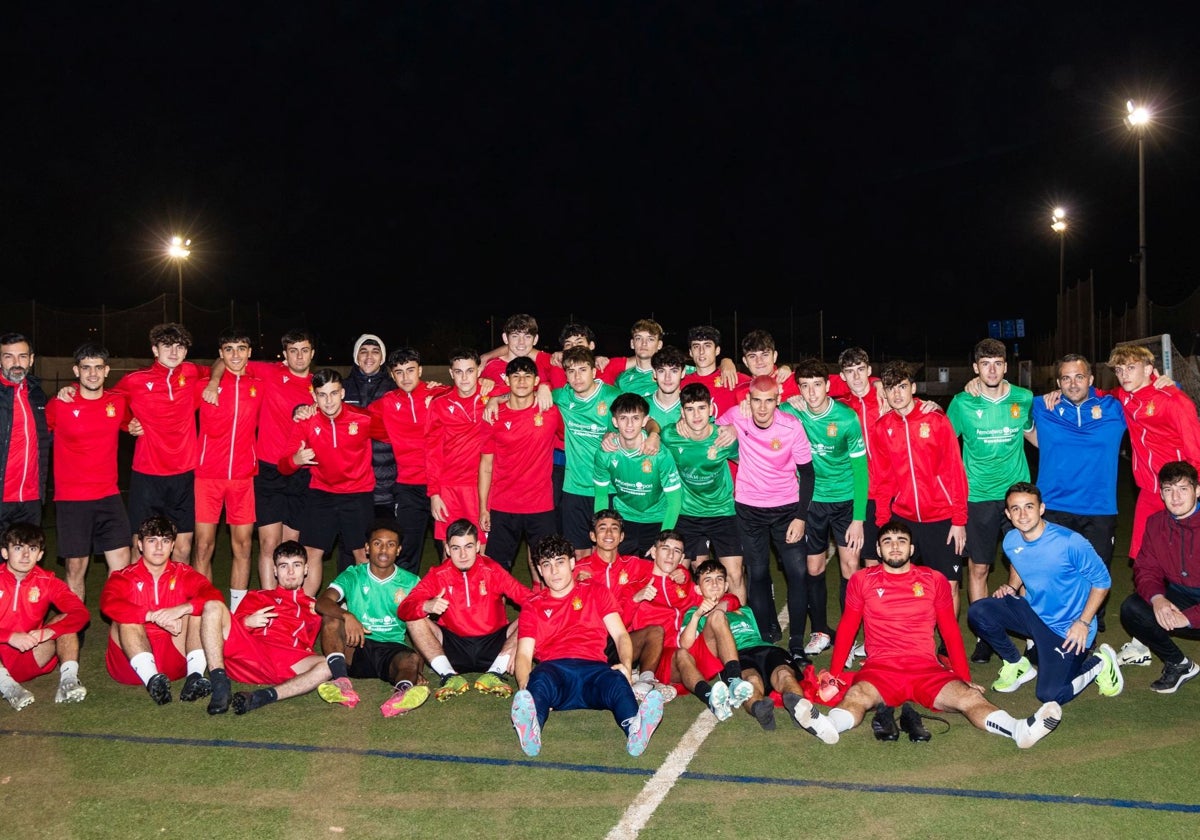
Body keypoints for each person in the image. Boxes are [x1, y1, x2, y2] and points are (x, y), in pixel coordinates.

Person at [792, 520, 1063, 748]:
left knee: (970, 698)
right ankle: (828, 725)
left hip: (925, 668)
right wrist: (837, 674)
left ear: (911, 548)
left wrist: (964, 678)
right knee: (858, 695)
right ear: (877, 548)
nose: (894, 546)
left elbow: (950, 632)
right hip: (881, 667)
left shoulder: (933, 580)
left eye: (901, 541)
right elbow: (849, 627)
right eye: (887, 541)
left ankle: (1019, 730)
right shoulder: (862, 580)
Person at [509, 534, 665, 758]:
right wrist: (525, 688)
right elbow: (524, 655)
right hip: (555, 671)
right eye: (547, 565)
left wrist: (627, 666)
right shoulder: (533, 606)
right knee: (539, 680)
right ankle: (531, 725)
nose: (554, 571)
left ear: (572, 563)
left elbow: (621, 634)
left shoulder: (596, 591)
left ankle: (635, 729)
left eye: (560, 562)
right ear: (540, 571)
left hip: (594, 668)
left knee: (616, 680)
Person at [967, 483, 1124, 706]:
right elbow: (1018, 562)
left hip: (1069, 629)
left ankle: (1100, 661)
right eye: (1015, 509)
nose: (1023, 515)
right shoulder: (1012, 540)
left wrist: (1084, 622)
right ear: (1007, 514)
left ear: (1041, 508)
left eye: (1029, 507)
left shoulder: (1070, 542)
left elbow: (1102, 581)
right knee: (979, 611)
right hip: (1034, 615)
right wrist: (1012, 587)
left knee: (1050, 695)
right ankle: (1016, 664)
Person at [206, 328, 317, 590]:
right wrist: (213, 383)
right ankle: (269, 604)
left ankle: (291, 609)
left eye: (304, 350)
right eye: (293, 351)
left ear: (312, 353)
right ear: (285, 355)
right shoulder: (270, 373)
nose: (299, 356)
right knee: (269, 545)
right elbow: (225, 361)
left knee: (293, 549)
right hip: (268, 470)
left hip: (301, 470)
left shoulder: (320, 385)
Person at [948, 339, 1034, 664]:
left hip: (1017, 498)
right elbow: (943, 443)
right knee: (979, 567)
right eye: (985, 364)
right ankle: (985, 635)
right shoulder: (961, 403)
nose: (992, 369)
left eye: (997, 363)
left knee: (1025, 564)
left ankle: (1030, 636)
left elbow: (1035, 435)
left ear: (1006, 366)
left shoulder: (1023, 399)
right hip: (978, 496)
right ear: (975, 368)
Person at [718, 375, 815, 658]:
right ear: (748, 399)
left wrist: (801, 517)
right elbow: (709, 429)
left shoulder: (791, 426)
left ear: (778, 400)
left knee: (797, 572)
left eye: (768, 401)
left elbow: (807, 473)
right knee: (758, 573)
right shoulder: (738, 415)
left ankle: (797, 641)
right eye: (756, 401)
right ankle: (762, 636)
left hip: (787, 510)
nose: (761, 408)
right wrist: (730, 430)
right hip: (749, 509)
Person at [1029, 354, 1126, 636]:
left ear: (1091, 379)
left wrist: (1163, 381)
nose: (1073, 384)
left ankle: (1093, 621)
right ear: (1058, 382)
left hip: (1099, 507)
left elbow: (1150, 399)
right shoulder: (1042, 406)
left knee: (1096, 570)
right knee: (1056, 572)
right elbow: (1007, 404)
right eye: (1066, 378)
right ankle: (1053, 623)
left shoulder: (1113, 407)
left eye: (1079, 377)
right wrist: (975, 384)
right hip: (1055, 505)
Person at [783, 359, 868, 657]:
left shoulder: (846, 418)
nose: (811, 392)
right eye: (804, 386)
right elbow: (761, 411)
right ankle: (820, 631)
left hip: (845, 502)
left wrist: (859, 519)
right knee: (814, 567)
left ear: (828, 386)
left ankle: (849, 634)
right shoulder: (792, 412)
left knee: (850, 568)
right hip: (811, 503)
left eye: (817, 384)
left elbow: (861, 471)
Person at [399, 519, 532, 702]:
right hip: (454, 645)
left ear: (478, 546)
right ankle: (449, 675)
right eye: (456, 548)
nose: (463, 554)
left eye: (468, 546)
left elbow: (530, 600)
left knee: (531, 614)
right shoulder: (438, 574)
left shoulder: (492, 570)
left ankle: (495, 672)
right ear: (447, 549)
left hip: (494, 644)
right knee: (414, 617)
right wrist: (425, 606)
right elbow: (404, 608)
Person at [279, 368, 387, 593]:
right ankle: (304, 612)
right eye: (322, 395)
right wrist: (296, 459)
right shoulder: (306, 421)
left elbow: (395, 431)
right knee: (311, 552)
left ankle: (364, 609)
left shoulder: (363, 418)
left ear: (343, 393)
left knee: (362, 554)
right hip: (321, 493)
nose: (328, 401)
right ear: (314, 396)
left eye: (333, 393)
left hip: (358, 493)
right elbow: (284, 466)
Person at [872, 361, 968, 613]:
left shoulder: (936, 420)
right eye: (891, 388)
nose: (897, 393)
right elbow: (883, 480)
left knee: (948, 586)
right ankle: (907, 643)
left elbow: (955, 471)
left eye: (902, 386)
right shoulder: (882, 428)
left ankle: (947, 649)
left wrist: (959, 519)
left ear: (913, 387)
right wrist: (884, 522)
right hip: (904, 519)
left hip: (942, 518)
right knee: (900, 585)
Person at [99, 516, 225, 705]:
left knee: (198, 610)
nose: (159, 547)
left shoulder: (183, 573)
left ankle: (194, 676)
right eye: (152, 541)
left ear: (173, 545)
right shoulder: (124, 577)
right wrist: (152, 616)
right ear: (140, 545)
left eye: (165, 541)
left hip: (173, 659)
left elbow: (214, 595)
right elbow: (108, 603)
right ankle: (152, 679)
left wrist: (182, 608)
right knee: (125, 617)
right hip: (131, 664)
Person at [111, 323, 209, 564]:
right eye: (167, 346)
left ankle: (176, 599)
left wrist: (215, 382)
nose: (174, 352)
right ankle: (141, 600)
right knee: (140, 546)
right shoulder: (135, 380)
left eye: (179, 347)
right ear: (155, 350)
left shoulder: (192, 373)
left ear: (186, 352)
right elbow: (107, 401)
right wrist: (127, 423)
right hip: (147, 474)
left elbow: (220, 367)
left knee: (183, 549)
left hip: (184, 475)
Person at [45, 342, 131, 601]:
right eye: (86, 368)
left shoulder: (117, 402)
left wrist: (136, 426)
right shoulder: (59, 405)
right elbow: (36, 439)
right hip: (72, 500)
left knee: (122, 567)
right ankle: (74, 633)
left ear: (106, 371)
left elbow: (131, 424)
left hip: (109, 496)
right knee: (75, 568)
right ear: (76, 370)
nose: (92, 374)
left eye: (97, 368)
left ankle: (119, 633)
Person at [206, 541, 334, 715]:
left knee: (329, 665)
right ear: (274, 571)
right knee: (213, 606)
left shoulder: (316, 606)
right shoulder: (257, 596)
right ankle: (219, 683)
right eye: (283, 566)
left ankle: (264, 696)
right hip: (249, 653)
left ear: (305, 570)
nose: (290, 572)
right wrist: (247, 622)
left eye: (296, 565)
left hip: (287, 661)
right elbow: (227, 630)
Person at [315, 520, 427, 716]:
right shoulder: (353, 575)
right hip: (356, 644)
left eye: (391, 544)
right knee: (331, 618)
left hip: (391, 650)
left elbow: (421, 624)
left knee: (410, 659)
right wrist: (347, 615)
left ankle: (401, 694)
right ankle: (341, 682)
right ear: (367, 548)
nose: (384, 549)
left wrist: (419, 669)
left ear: (398, 550)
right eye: (377, 543)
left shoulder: (411, 582)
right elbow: (322, 602)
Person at [1107, 342, 1200, 560]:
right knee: (1143, 554)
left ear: (1148, 369)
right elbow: (1105, 393)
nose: (1123, 375)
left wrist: (1195, 487)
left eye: (1130, 368)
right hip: (1149, 490)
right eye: (1119, 370)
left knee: (1185, 556)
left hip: (1178, 489)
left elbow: (1195, 448)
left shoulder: (1174, 400)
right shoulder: (1125, 396)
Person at [193, 328, 263, 611]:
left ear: (249, 353)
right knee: (203, 546)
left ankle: (237, 611)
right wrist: (212, 379)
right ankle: (203, 607)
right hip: (208, 476)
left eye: (241, 348)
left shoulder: (259, 384)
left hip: (244, 478)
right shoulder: (202, 386)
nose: (235, 354)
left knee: (243, 546)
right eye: (229, 349)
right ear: (220, 354)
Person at [1118, 461, 1200, 693]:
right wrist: (1158, 599)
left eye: (1183, 489)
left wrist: (1189, 618)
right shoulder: (1156, 523)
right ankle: (1179, 664)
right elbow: (1146, 569)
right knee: (1132, 608)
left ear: (1197, 490)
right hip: (1180, 596)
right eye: (1168, 490)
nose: (1175, 497)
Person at [573, 510, 670, 698]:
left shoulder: (633, 564)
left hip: (621, 641)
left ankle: (644, 683)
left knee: (656, 632)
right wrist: (577, 586)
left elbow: (663, 567)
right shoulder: (578, 570)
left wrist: (678, 572)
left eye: (614, 528)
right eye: (603, 528)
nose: (609, 534)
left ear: (622, 536)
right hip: (590, 643)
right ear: (593, 536)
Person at [368, 347, 449, 575]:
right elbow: (355, 417)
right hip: (408, 488)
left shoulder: (440, 394)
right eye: (399, 372)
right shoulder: (386, 403)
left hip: (442, 485)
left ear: (420, 370)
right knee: (406, 551)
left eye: (410, 370)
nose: (405, 377)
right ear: (392, 376)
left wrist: (492, 388)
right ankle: (405, 605)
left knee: (449, 547)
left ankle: (452, 604)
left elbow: (471, 392)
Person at [478, 356, 562, 574]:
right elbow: (486, 465)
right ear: (508, 380)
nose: (522, 381)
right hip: (503, 506)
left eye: (527, 376)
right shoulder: (493, 415)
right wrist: (483, 508)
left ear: (536, 381)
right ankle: (496, 610)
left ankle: (546, 608)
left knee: (549, 569)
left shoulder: (551, 412)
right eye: (516, 376)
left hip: (541, 506)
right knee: (497, 572)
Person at [661, 383, 744, 601]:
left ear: (711, 409)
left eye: (701, 408)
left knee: (735, 575)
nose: (696, 415)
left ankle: (742, 630)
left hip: (722, 513)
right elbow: (649, 434)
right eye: (689, 409)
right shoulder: (670, 436)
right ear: (682, 412)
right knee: (674, 574)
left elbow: (747, 462)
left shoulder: (724, 438)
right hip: (687, 514)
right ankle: (679, 626)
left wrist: (735, 428)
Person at [0, 523, 90, 710]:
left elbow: (80, 613)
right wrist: (10, 636)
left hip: (31, 653)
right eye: (18, 548)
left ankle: (69, 681)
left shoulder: (47, 581)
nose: (25, 555)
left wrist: (49, 631)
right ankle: (8, 687)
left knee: (65, 619)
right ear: (5, 553)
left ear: (40, 555)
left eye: (32, 549)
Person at [553, 346, 626, 558]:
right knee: (579, 553)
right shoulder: (562, 397)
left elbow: (639, 422)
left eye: (582, 370)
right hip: (574, 488)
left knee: (606, 552)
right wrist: (496, 399)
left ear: (594, 372)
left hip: (608, 488)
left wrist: (614, 434)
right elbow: (523, 395)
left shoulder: (613, 396)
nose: (577, 377)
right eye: (571, 371)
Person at [593, 393, 682, 556]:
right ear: (614, 421)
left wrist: (662, 541)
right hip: (624, 519)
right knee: (621, 577)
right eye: (623, 418)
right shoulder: (605, 453)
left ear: (644, 420)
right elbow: (600, 496)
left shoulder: (659, 453)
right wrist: (603, 530)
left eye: (635, 418)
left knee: (653, 578)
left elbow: (675, 501)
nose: (629, 424)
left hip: (658, 520)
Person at [673, 560, 761, 722]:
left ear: (726, 585)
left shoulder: (736, 606)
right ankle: (732, 680)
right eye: (708, 580)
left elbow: (733, 600)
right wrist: (698, 615)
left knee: (718, 616)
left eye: (719, 579)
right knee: (716, 618)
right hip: (699, 662)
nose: (715, 584)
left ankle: (724, 689)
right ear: (698, 589)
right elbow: (685, 645)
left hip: (720, 659)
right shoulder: (692, 611)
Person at [425, 348, 489, 554]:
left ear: (479, 371)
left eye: (469, 371)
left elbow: (522, 389)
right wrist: (434, 493)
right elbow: (432, 452)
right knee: (450, 549)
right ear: (451, 373)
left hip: (482, 487)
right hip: (449, 487)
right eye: (458, 372)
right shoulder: (440, 404)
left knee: (480, 549)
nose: (464, 377)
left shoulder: (493, 397)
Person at [343, 333, 402, 521]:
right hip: (351, 482)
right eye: (364, 351)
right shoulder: (341, 389)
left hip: (386, 483)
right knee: (352, 545)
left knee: (385, 541)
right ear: (356, 357)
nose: (369, 357)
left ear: (382, 358)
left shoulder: (395, 390)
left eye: (375, 352)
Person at [0, 332, 50, 536]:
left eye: (22, 356)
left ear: (31, 359)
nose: (16, 363)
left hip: (31, 499)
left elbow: (48, 437)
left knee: (25, 563)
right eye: (8, 356)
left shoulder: (37, 394)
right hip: (2, 498)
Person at [615, 319, 666, 398]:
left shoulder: (672, 375)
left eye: (650, 339)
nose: (644, 343)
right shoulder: (622, 379)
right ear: (632, 343)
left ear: (659, 344)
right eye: (639, 338)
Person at [647, 346, 687, 429]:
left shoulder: (694, 408)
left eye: (674, 371)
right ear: (654, 373)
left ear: (683, 372)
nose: (667, 378)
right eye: (661, 371)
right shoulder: (641, 405)